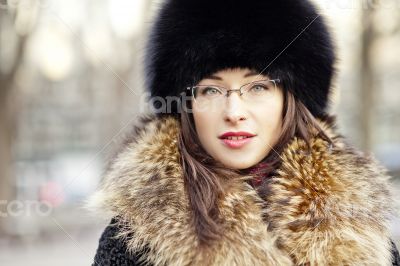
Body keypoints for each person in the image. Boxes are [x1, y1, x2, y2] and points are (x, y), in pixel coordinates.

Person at [87, 0, 400, 265]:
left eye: (258, 87)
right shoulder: (133, 240)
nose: (234, 111)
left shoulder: (362, 227)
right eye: (210, 90)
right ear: (187, 107)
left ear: (290, 101)